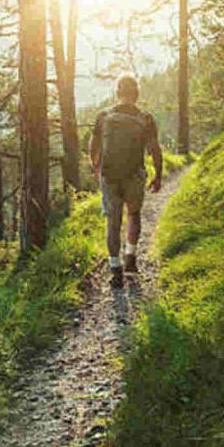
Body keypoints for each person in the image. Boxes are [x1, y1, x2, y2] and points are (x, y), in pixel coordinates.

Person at [89, 75, 163, 289]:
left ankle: (115, 270)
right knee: (133, 214)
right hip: (134, 176)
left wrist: (97, 168)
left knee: (113, 222)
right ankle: (130, 257)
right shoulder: (146, 118)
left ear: (117, 92)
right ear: (136, 93)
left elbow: (93, 147)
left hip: (109, 176)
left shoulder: (103, 116)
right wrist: (158, 174)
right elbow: (155, 149)